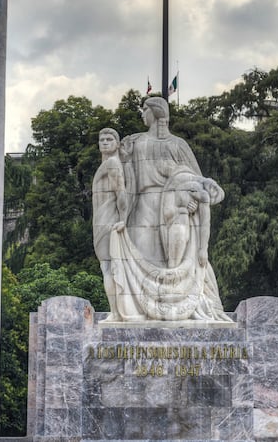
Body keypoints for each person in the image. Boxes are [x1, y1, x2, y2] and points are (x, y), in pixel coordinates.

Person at [98, 97, 229, 322]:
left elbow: (198, 182)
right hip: (142, 209)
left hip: (173, 209)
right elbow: (122, 178)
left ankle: (186, 308)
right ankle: (140, 313)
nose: (142, 115)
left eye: (145, 110)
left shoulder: (178, 145)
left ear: (155, 113)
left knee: (176, 264)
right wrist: (123, 215)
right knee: (141, 261)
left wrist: (193, 201)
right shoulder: (136, 143)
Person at [91, 128, 127, 312]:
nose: (104, 142)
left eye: (109, 139)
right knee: (107, 268)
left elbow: (121, 193)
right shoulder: (105, 164)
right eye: (101, 139)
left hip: (110, 222)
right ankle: (116, 312)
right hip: (100, 222)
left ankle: (116, 312)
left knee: (109, 268)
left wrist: (124, 219)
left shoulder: (113, 163)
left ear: (117, 144)